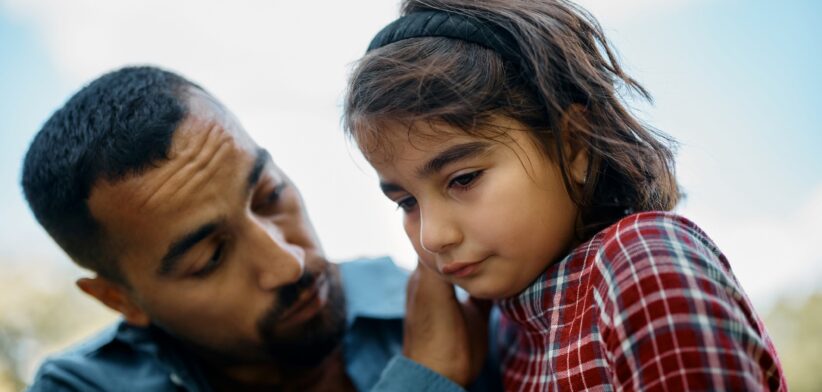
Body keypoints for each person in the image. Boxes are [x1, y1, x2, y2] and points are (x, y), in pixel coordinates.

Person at [344, 0, 787, 390]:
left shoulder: (640, 265)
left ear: (573, 144)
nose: (432, 237)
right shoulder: (497, 330)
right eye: (407, 202)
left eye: (464, 179)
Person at [22, 66, 501, 391]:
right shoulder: (84, 386)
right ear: (120, 299)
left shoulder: (448, 298)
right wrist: (423, 379)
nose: (288, 263)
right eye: (209, 258)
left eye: (270, 197)